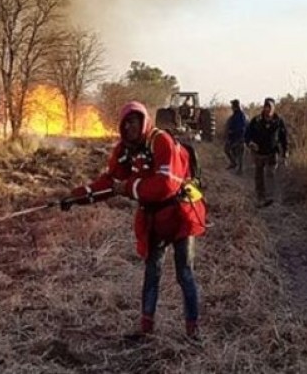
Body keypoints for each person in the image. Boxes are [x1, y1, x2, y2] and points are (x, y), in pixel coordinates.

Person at [61, 101, 206, 337]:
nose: (129, 127)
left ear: (143, 120)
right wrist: (76, 197)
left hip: (180, 214)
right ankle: (146, 330)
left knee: (185, 274)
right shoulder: (125, 150)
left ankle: (193, 331)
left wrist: (128, 187)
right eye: (125, 123)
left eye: (133, 121)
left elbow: (166, 185)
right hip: (154, 218)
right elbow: (109, 183)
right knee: (152, 273)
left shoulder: (161, 141)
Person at [244, 97, 289, 207]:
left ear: (274, 108)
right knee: (258, 175)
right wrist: (250, 143)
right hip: (258, 153)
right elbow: (247, 135)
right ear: (264, 108)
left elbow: (284, 138)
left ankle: (270, 197)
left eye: (270, 107)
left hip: (272, 153)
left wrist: (285, 152)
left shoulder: (278, 121)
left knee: (270, 174)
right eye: (266, 107)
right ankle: (260, 197)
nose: (268, 110)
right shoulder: (256, 120)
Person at [224, 99, 248, 174]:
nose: (231, 107)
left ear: (236, 106)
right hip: (235, 137)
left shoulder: (240, 116)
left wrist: (232, 132)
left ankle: (238, 167)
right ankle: (235, 164)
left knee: (238, 152)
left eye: (232, 106)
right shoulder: (237, 115)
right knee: (231, 150)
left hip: (239, 137)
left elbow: (241, 127)